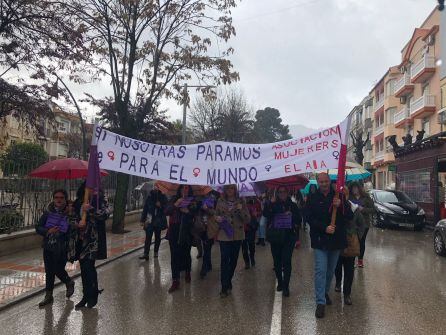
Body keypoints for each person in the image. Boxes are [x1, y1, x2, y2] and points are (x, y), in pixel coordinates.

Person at [308, 173, 353, 319]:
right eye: (321, 181)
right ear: (317, 182)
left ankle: (325, 291)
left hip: (336, 241)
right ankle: (320, 303)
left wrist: (341, 206)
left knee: (330, 271)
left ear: (329, 181)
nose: (324, 184)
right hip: (320, 241)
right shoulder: (313, 197)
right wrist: (324, 228)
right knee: (320, 271)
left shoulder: (339, 196)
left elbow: (349, 216)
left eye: (326, 181)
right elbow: (309, 218)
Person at [36, 189, 75, 307]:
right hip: (49, 246)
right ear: (53, 199)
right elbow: (38, 227)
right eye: (56, 197)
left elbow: (75, 228)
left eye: (61, 198)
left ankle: (68, 282)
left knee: (58, 269)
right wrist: (48, 231)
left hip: (63, 246)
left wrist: (70, 215)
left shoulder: (70, 212)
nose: (58, 200)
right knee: (49, 271)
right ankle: (48, 295)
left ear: (65, 199)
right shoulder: (48, 212)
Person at [334, 182, 372, 305]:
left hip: (350, 244)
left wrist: (357, 236)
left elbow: (361, 224)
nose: (343, 195)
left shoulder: (353, 208)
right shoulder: (334, 207)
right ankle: (338, 284)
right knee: (337, 266)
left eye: (345, 193)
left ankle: (347, 294)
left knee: (350, 270)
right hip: (338, 244)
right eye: (341, 193)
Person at [74, 184, 109, 309]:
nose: (94, 191)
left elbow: (105, 214)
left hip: (93, 241)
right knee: (83, 268)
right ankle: (85, 296)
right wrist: (78, 222)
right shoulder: (78, 202)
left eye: (96, 189)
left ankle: (92, 295)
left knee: (89, 267)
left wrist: (91, 209)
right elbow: (72, 217)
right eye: (91, 188)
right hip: (80, 240)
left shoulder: (101, 202)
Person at [264, 186, 301, 297]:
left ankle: (286, 285)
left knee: (286, 260)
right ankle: (279, 281)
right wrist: (270, 204)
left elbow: (299, 219)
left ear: (287, 192)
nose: (282, 194)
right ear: (277, 193)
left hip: (289, 237)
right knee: (277, 261)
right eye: (279, 192)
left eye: (284, 191)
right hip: (275, 237)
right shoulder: (273, 204)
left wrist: (292, 215)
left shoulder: (293, 205)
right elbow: (266, 214)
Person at [214, 184, 250, 298]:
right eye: (228, 188)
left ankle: (228, 281)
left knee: (233, 260)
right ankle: (224, 287)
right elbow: (216, 215)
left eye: (232, 188)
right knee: (224, 259)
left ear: (235, 190)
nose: (230, 190)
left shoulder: (241, 201)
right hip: (224, 234)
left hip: (237, 235)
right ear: (225, 190)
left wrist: (240, 210)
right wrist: (217, 218)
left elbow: (247, 219)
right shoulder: (220, 201)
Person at [165, 185, 197, 293]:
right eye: (183, 188)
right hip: (174, 231)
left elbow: (196, 214)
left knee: (186, 254)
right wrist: (176, 204)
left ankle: (187, 272)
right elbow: (167, 211)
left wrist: (187, 212)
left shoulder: (192, 201)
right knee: (174, 256)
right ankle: (175, 280)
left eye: (187, 188)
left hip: (186, 231)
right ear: (179, 189)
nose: (185, 190)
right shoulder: (174, 199)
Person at [348, 182, 375, 268]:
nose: (354, 190)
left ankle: (360, 260)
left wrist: (363, 209)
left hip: (364, 224)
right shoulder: (349, 197)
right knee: (352, 241)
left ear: (359, 188)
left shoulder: (366, 197)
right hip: (352, 224)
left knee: (361, 241)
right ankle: (352, 260)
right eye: (353, 188)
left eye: (356, 188)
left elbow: (373, 209)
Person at [139, 186, 168, 260]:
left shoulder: (163, 197)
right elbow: (145, 208)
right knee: (148, 237)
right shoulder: (150, 196)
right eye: (155, 186)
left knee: (157, 237)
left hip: (158, 219)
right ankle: (146, 253)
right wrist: (142, 220)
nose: (156, 188)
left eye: (158, 186)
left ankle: (156, 252)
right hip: (149, 219)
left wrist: (160, 206)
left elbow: (167, 209)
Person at [196, 192, 219, 279]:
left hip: (209, 228)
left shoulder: (212, 198)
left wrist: (206, 209)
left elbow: (214, 212)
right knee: (205, 247)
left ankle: (204, 269)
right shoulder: (196, 199)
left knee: (207, 248)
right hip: (200, 227)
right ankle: (208, 265)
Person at [243, 197, 261, 269]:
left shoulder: (255, 203)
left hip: (251, 228)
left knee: (251, 245)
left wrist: (255, 213)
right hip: (243, 229)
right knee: (244, 247)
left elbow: (259, 212)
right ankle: (247, 262)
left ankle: (252, 258)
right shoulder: (240, 204)